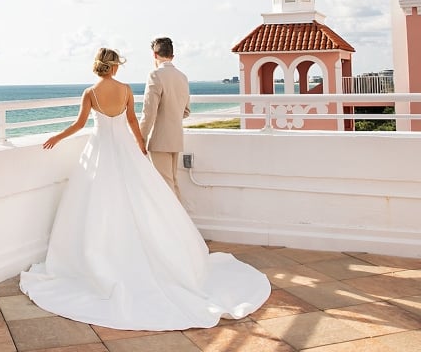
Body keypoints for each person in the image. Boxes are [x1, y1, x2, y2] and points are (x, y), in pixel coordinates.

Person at [20, 47, 271, 331]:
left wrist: (57, 136)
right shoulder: (126, 90)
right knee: (141, 200)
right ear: (115, 67)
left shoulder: (89, 92)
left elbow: (79, 124)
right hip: (125, 150)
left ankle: (101, 255)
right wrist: (140, 146)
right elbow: (131, 123)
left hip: (100, 153)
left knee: (99, 205)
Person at [139, 37, 190, 200]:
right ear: (172, 56)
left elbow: (149, 111)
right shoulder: (182, 77)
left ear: (155, 55)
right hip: (176, 137)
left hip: (159, 139)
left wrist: (140, 138)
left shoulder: (155, 75)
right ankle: (182, 224)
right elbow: (186, 111)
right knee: (173, 183)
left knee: (165, 187)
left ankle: (176, 225)